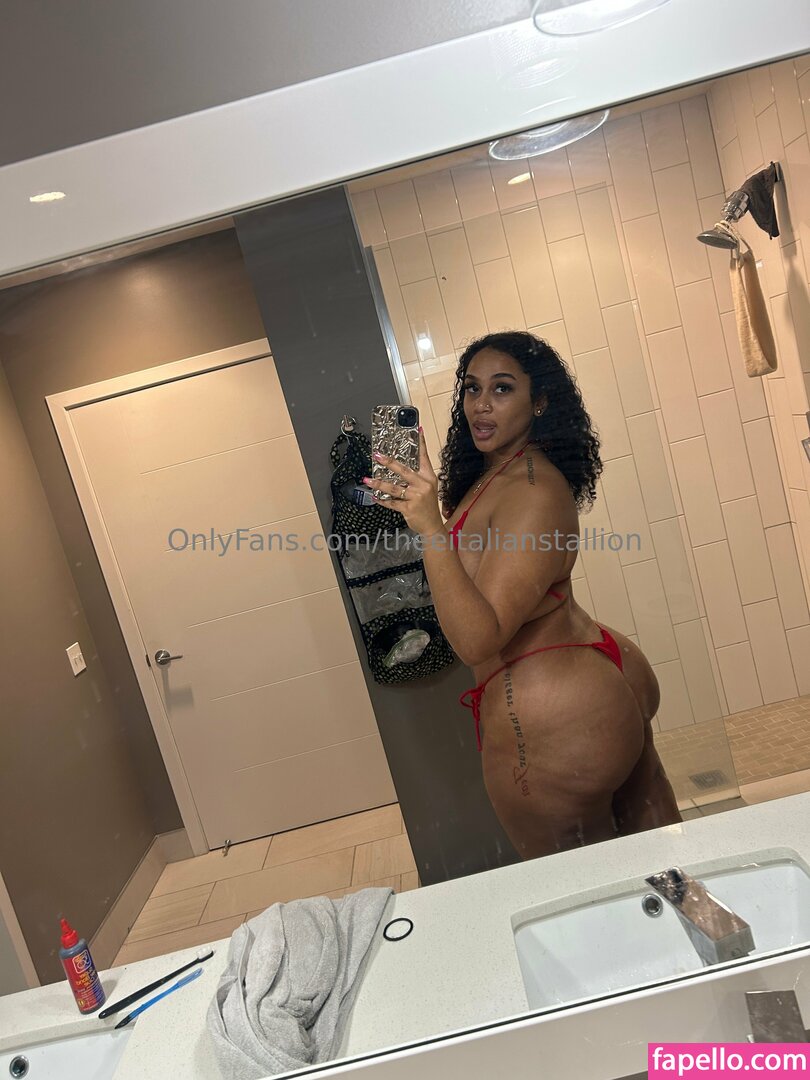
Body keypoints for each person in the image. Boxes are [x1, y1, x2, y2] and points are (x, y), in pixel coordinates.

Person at [363, 330, 681, 861]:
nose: (481, 405)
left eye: (503, 388)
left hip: (556, 715)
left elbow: (477, 639)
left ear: (540, 402)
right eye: (472, 388)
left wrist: (432, 529)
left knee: (584, 894)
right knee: (670, 867)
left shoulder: (532, 490)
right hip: (585, 683)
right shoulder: (503, 475)